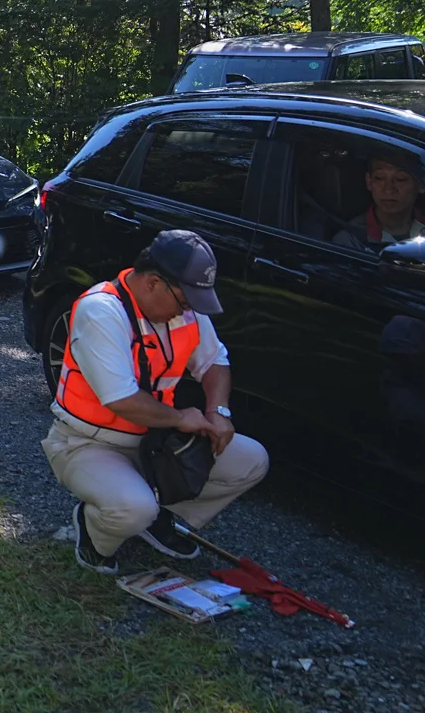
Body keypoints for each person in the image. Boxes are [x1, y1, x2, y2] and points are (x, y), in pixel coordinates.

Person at [43, 231, 270, 574]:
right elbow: (122, 400)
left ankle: (156, 515)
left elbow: (215, 362)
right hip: (88, 443)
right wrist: (181, 418)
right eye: (185, 301)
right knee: (132, 508)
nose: (190, 310)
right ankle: (94, 531)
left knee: (252, 461)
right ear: (153, 283)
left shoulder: (182, 303)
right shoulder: (101, 310)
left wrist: (218, 412)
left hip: (156, 441)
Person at [335, 156, 425, 249]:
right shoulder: (351, 241)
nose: (388, 189)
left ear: (422, 184)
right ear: (369, 182)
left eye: (400, 179)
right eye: (379, 178)